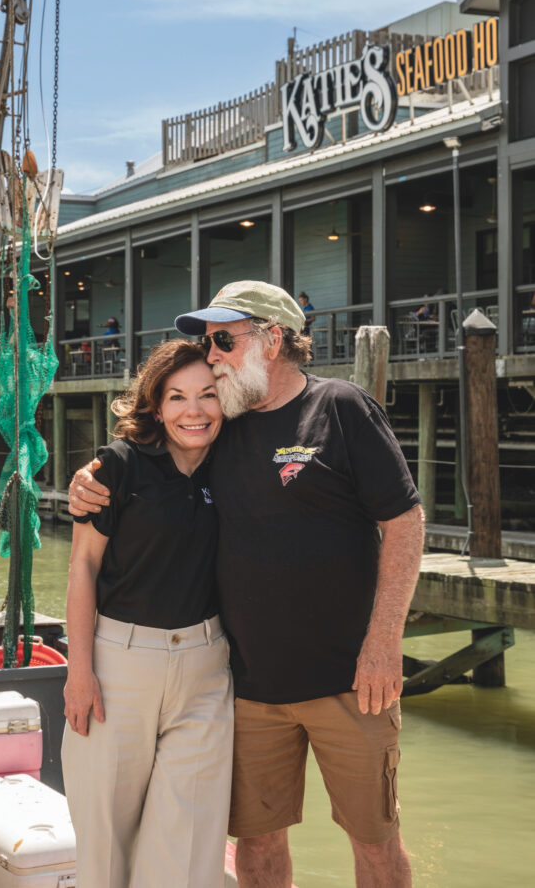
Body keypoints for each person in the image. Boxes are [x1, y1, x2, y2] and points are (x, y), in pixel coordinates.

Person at [69, 280, 424, 888]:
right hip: (249, 687)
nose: (213, 356)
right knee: (257, 847)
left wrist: (384, 640)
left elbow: (405, 522)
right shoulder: (220, 425)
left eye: (224, 340)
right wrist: (87, 479)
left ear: (274, 338)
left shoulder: (340, 406)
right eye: (209, 342)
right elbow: (155, 445)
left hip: (351, 679)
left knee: (375, 844)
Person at [61, 338, 233, 888]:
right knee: (106, 843)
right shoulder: (119, 465)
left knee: (186, 848)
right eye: (178, 397)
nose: (195, 411)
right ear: (156, 405)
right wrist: (78, 672)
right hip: (119, 666)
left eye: (208, 395)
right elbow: (83, 568)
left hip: (206, 668)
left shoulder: (235, 465)